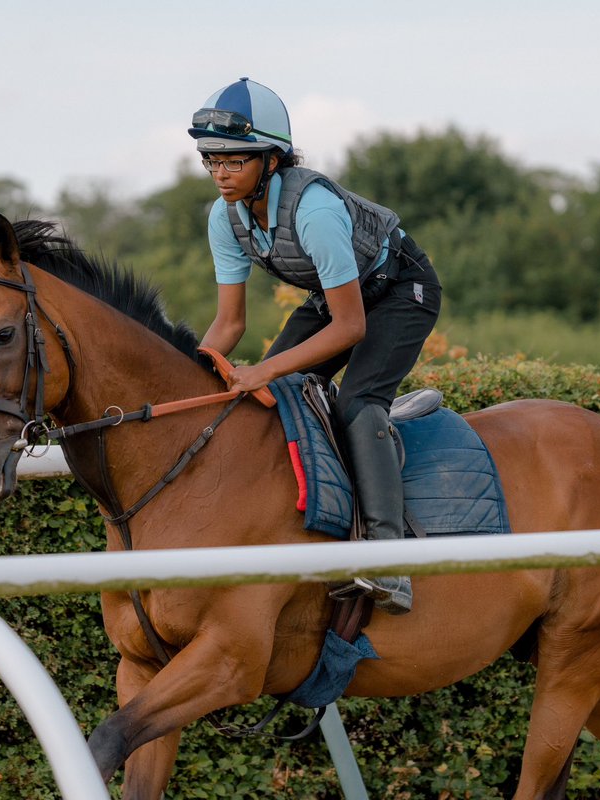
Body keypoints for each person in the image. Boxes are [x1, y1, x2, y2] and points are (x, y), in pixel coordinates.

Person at [192, 77, 442, 615]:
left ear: (273, 160)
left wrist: (260, 371)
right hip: (337, 297)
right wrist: (192, 375)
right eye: (211, 160)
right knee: (278, 393)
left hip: (400, 290)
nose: (220, 173)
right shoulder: (223, 217)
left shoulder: (314, 211)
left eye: (235, 161)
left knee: (356, 402)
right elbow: (229, 324)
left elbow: (351, 327)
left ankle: (387, 562)